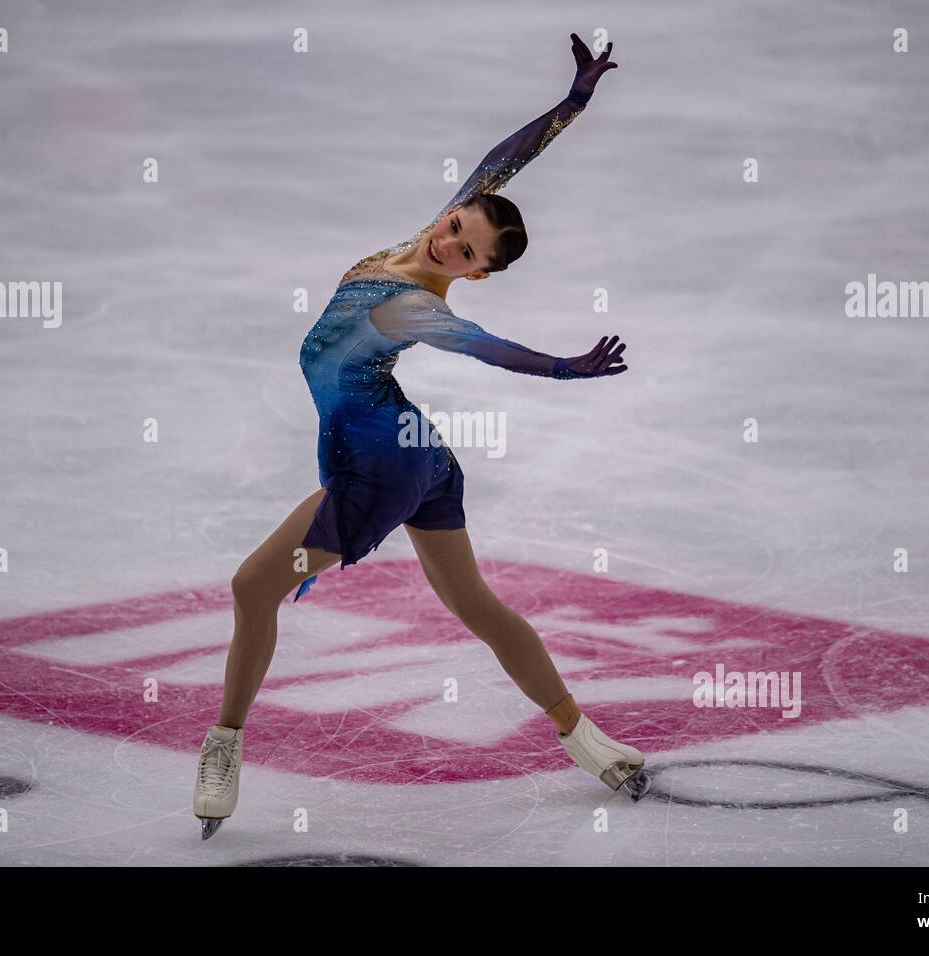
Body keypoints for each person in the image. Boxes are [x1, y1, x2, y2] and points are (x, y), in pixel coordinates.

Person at [194, 33, 647, 840]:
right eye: (456, 226)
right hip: (421, 454)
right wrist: (573, 105)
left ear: (474, 273)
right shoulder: (430, 234)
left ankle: (223, 744)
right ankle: (583, 736)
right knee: (476, 602)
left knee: (253, 587)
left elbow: (491, 349)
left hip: (384, 473)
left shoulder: (419, 307)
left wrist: (566, 369)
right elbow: (501, 159)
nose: (450, 242)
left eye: (466, 254)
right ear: (451, 212)